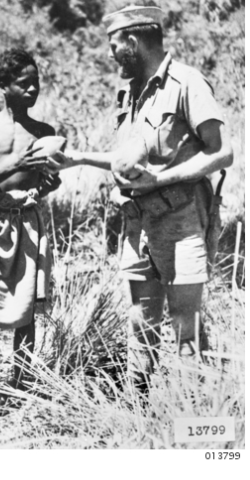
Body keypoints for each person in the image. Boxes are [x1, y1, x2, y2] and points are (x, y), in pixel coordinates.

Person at [51, 6, 233, 393]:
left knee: (186, 324)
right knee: (140, 321)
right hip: (138, 225)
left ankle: (195, 419)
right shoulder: (130, 93)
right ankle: (138, 408)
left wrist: (160, 179)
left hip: (181, 222)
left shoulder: (186, 83)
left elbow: (222, 152)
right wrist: (79, 158)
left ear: (133, 42)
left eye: (114, 45)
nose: (110, 54)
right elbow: (126, 161)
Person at [0, 48, 62, 398]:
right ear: (4, 85)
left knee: (26, 309)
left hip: (27, 223)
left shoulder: (44, 131)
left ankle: (20, 385)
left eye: (36, 83)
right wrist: (18, 163)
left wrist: (49, 184)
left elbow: (48, 179)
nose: (33, 90)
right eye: (24, 83)